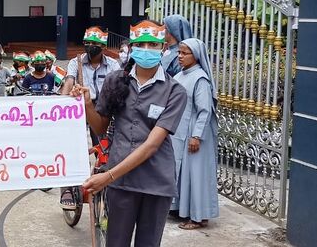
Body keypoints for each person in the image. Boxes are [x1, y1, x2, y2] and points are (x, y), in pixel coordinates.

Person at [70, 20, 187, 247]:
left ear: (163, 48)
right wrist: (87, 105)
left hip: (156, 182)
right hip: (122, 183)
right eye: (140, 44)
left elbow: (153, 145)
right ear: (132, 47)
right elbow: (101, 128)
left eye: (152, 45)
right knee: (116, 242)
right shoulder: (116, 81)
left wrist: (108, 176)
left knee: (148, 243)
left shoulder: (175, 91)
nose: (146, 49)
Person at [59, 27, 121, 209]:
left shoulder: (113, 65)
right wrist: (63, 102)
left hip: (103, 110)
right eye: (88, 43)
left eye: (95, 44)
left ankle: (106, 182)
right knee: (73, 148)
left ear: (103, 46)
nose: (91, 47)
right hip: (79, 108)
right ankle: (68, 189)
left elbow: (119, 87)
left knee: (105, 149)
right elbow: (69, 80)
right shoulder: (75, 62)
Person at [171, 38, 219, 230]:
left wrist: (196, 136)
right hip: (180, 131)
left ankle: (199, 218)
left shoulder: (200, 79)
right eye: (179, 52)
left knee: (196, 175)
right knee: (183, 173)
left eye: (184, 53)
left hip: (194, 134)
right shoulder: (181, 75)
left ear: (196, 56)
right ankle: (182, 210)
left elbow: (204, 110)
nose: (180, 56)